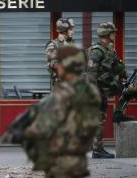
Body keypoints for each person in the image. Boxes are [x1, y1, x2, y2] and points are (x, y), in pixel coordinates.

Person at [5, 46, 101, 178]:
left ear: (67, 66)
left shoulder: (64, 94)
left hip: (61, 164)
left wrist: (21, 133)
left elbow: (43, 129)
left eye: (60, 63)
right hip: (79, 161)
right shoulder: (91, 91)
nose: (57, 67)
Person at [86, 22, 126, 159]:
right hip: (97, 90)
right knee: (98, 119)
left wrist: (124, 76)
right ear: (106, 34)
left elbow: (115, 66)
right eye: (112, 32)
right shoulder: (97, 50)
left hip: (104, 89)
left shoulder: (109, 49)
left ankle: (98, 148)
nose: (114, 34)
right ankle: (97, 150)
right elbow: (91, 72)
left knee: (100, 118)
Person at [45, 18, 75, 89]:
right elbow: (52, 64)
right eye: (70, 29)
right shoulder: (53, 45)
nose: (73, 32)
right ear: (64, 31)